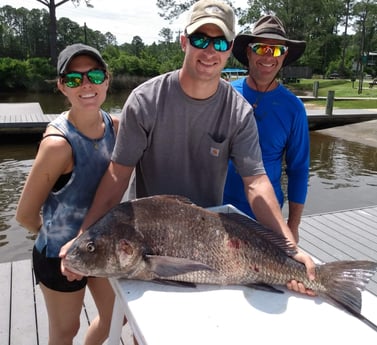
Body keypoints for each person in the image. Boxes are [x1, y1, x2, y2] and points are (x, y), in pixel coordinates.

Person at [61, 0, 315, 295]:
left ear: (230, 49)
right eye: (200, 39)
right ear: (184, 42)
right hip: (148, 241)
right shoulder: (144, 101)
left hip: (210, 246)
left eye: (219, 42)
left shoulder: (239, 112)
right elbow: (118, 174)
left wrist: (288, 245)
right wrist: (83, 236)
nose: (209, 51)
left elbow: (257, 182)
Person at [16, 43, 120, 345]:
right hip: (57, 253)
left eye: (95, 75)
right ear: (62, 86)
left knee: (117, 316)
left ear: (107, 79)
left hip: (99, 246)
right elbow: (24, 215)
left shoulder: (115, 126)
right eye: (74, 79)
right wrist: (59, 243)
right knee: (65, 331)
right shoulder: (58, 145)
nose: (86, 85)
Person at [223, 15, 309, 242]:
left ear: (285, 56)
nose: (269, 56)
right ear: (249, 52)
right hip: (217, 212)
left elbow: (298, 170)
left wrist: (293, 226)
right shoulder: (223, 94)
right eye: (261, 47)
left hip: (266, 220)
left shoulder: (294, 109)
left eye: (277, 50)